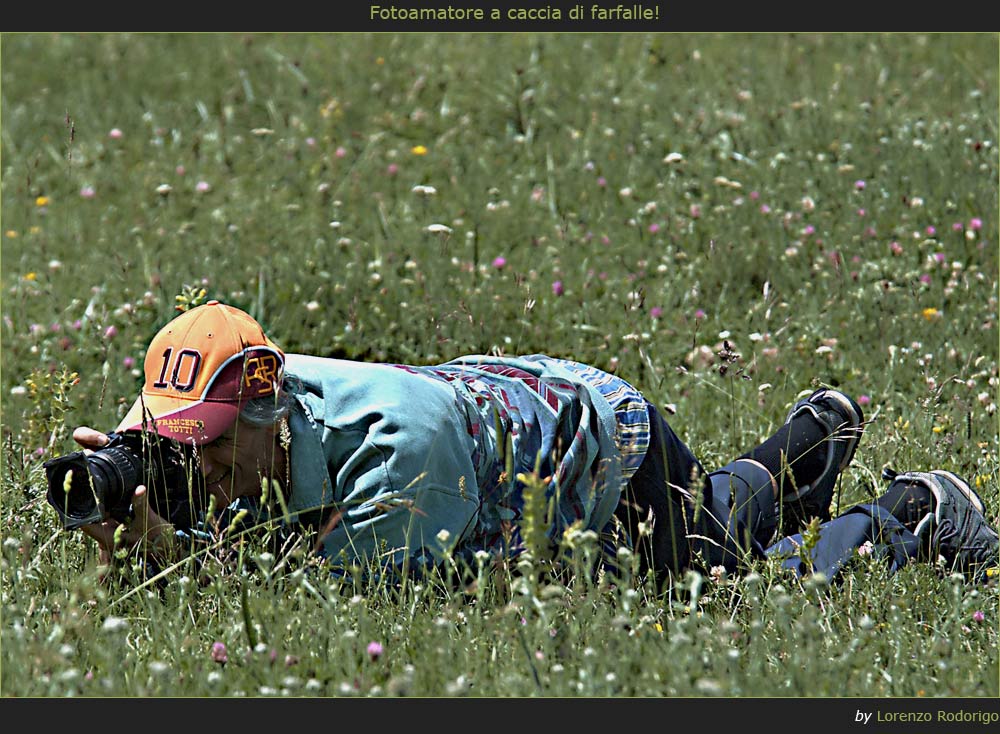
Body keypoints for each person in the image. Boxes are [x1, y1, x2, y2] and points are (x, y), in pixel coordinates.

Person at [69, 301, 998, 587]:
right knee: (716, 515)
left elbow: (315, 595)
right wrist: (129, 475)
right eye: (171, 441)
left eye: (211, 446)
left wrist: (172, 558)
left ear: (269, 413)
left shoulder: (400, 465)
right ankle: (813, 438)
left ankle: (911, 513)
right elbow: (206, 456)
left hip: (600, 452)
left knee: (724, 587)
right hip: (515, 400)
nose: (194, 464)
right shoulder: (230, 393)